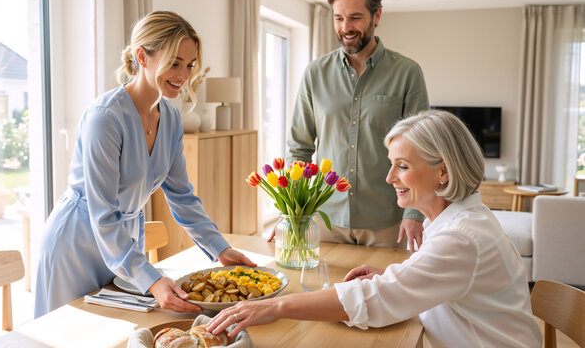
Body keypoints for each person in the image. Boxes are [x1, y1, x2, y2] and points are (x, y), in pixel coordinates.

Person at [208, 110, 543, 348]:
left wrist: (276, 306)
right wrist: (397, 271)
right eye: (391, 164)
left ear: (443, 172)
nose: (389, 178)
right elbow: (446, 279)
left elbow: (376, 300)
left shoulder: (461, 237)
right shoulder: (461, 220)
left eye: (403, 166)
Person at [34, 11, 255, 318]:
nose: (184, 74)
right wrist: (151, 279)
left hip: (123, 245)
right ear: (142, 56)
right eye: (175, 62)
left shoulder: (172, 117)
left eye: (189, 64)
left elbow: (181, 195)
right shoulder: (105, 118)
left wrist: (220, 248)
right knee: (69, 334)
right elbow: (103, 214)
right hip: (76, 245)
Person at [283, 0, 429, 251]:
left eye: (355, 17)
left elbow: (421, 150)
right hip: (325, 218)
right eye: (338, 18)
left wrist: (414, 214)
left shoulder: (407, 73)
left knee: (382, 293)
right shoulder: (315, 74)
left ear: (377, 16)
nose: (345, 27)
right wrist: (295, 212)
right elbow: (299, 148)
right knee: (322, 290)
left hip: (386, 222)